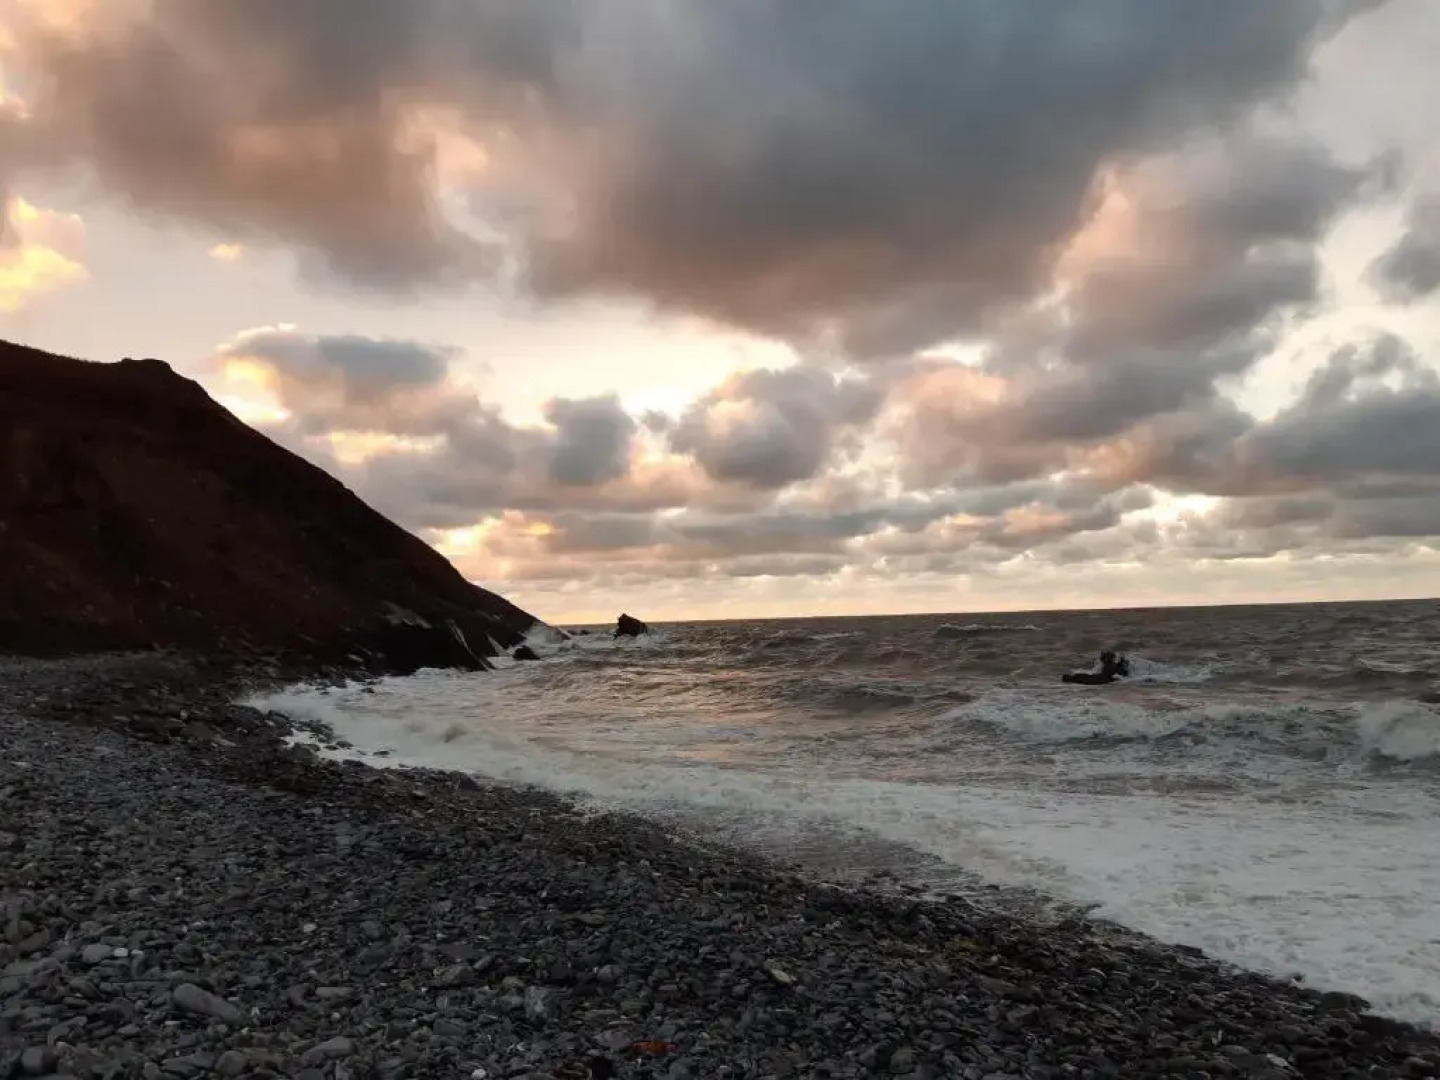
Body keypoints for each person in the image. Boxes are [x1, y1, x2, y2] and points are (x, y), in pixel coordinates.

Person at [1062, 650, 1130, 685]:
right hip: (1101, 679)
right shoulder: (1111, 665)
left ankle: (1069, 678)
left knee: (1082, 677)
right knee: (1082, 677)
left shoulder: (1111, 665)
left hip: (1100, 679)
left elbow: (1121, 672)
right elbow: (1123, 673)